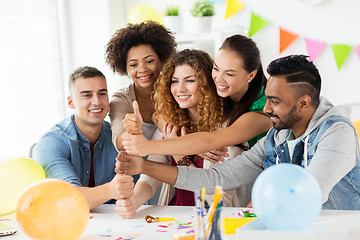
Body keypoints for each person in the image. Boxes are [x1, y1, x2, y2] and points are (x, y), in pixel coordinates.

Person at [117, 55, 360, 210]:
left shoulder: (336, 132)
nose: (266, 108)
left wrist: (255, 206)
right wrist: (144, 167)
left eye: (274, 101)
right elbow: (215, 179)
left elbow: (309, 193)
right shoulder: (275, 138)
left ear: (304, 103)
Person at [116, 49, 245, 218]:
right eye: (174, 81)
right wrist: (134, 202)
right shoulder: (170, 125)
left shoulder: (228, 131)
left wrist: (180, 156)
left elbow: (217, 202)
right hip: (174, 216)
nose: (180, 89)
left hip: (209, 223)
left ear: (208, 83)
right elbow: (151, 177)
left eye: (190, 80)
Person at [121, 34, 272, 163]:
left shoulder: (264, 111)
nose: (218, 79)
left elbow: (211, 140)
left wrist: (146, 146)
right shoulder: (221, 92)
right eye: (216, 68)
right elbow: (159, 115)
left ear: (251, 75)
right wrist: (190, 142)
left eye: (230, 74)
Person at [34, 66, 134, 210]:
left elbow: (135, 192)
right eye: (87, 95)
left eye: (102, 93)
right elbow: (69, 198)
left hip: (117, 223)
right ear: (71, 102)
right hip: (64, 224)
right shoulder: (50, 143)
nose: (97, 102)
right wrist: (111, 189)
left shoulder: (119, 137)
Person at [105, 21, 177, 152]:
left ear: (161, 60)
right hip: (139, 169)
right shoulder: (121, 99)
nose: (142, 69)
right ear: (124, 67)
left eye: (149, 61)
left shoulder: (176, 88)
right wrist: (131, 132)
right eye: (133, 65)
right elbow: (118, 141)